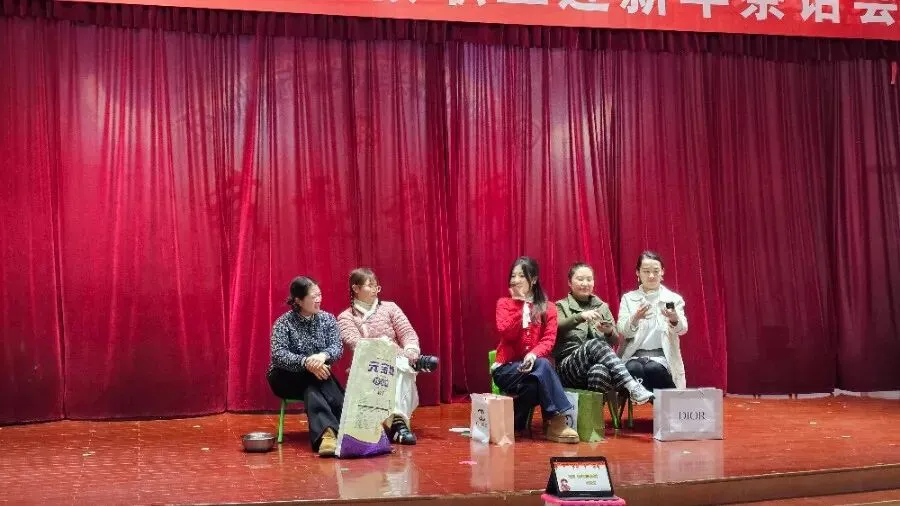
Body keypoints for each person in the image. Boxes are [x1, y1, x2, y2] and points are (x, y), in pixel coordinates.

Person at [337, 268, 438, 446]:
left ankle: (398, 422)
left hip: (397, 359)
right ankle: (413, 365)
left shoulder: (390, 308)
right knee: (402, 367)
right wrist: (385, 346)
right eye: (370, 285)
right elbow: (357, 344)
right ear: (356, 288)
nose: (375, 290)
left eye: (376, 286)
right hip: (367, 365)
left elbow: (407, 333)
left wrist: (411, 351)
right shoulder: (346, 317)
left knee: (400, 368)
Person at [491, 256, 579, 444]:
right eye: (513, 276)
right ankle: (557, 421)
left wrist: (532, 355)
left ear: (534, 279)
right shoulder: (504, 304)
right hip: (507, 369)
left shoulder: (549, 308)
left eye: (521, 276)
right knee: (543, 364)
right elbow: (506, 332)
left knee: (533, 385)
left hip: (533, 370)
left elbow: (549, 340)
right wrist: (520, 305)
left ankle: (516, 424)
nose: (515, 280)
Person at [554, 262, 654, 404]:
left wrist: (608, 331)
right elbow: (557, 327)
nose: (585, 283)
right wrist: (580, 316)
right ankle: (631, 385)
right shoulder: (560, 306)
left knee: (599, 371)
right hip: (569, 368)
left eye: (589, 279)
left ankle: (593, 415)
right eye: (580, 279)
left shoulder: (602, 307)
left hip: (596, 367)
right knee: (594, 344)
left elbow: (615, 341)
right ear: (570, 282)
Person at [267, 276, 344, 457]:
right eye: (313, 296)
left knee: (312, 386)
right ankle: (348, 422)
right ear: (298, 301)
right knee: (313, 375)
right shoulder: (284, 323)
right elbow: (278, 355)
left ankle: (327, 434)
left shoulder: (327, 319)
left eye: (320, 295)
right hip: (284, 377)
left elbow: (337, 347)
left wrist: (323, 356)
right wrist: (306, 362)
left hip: (316, 377)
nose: (319, 299)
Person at [617, 251, 689, 390]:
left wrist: (674, 319)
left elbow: (682, 330)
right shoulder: (628, 298)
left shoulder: (673, 299)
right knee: (633, 368)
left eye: (656, 271)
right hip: (633, 355)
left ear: (662, 272)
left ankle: (659, 400)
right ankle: (648, 399)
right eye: (646, 271)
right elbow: (623, 330)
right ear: (638, 273)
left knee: (653, 369)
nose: (651, 275)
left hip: (663, 357)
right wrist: (635, 319)